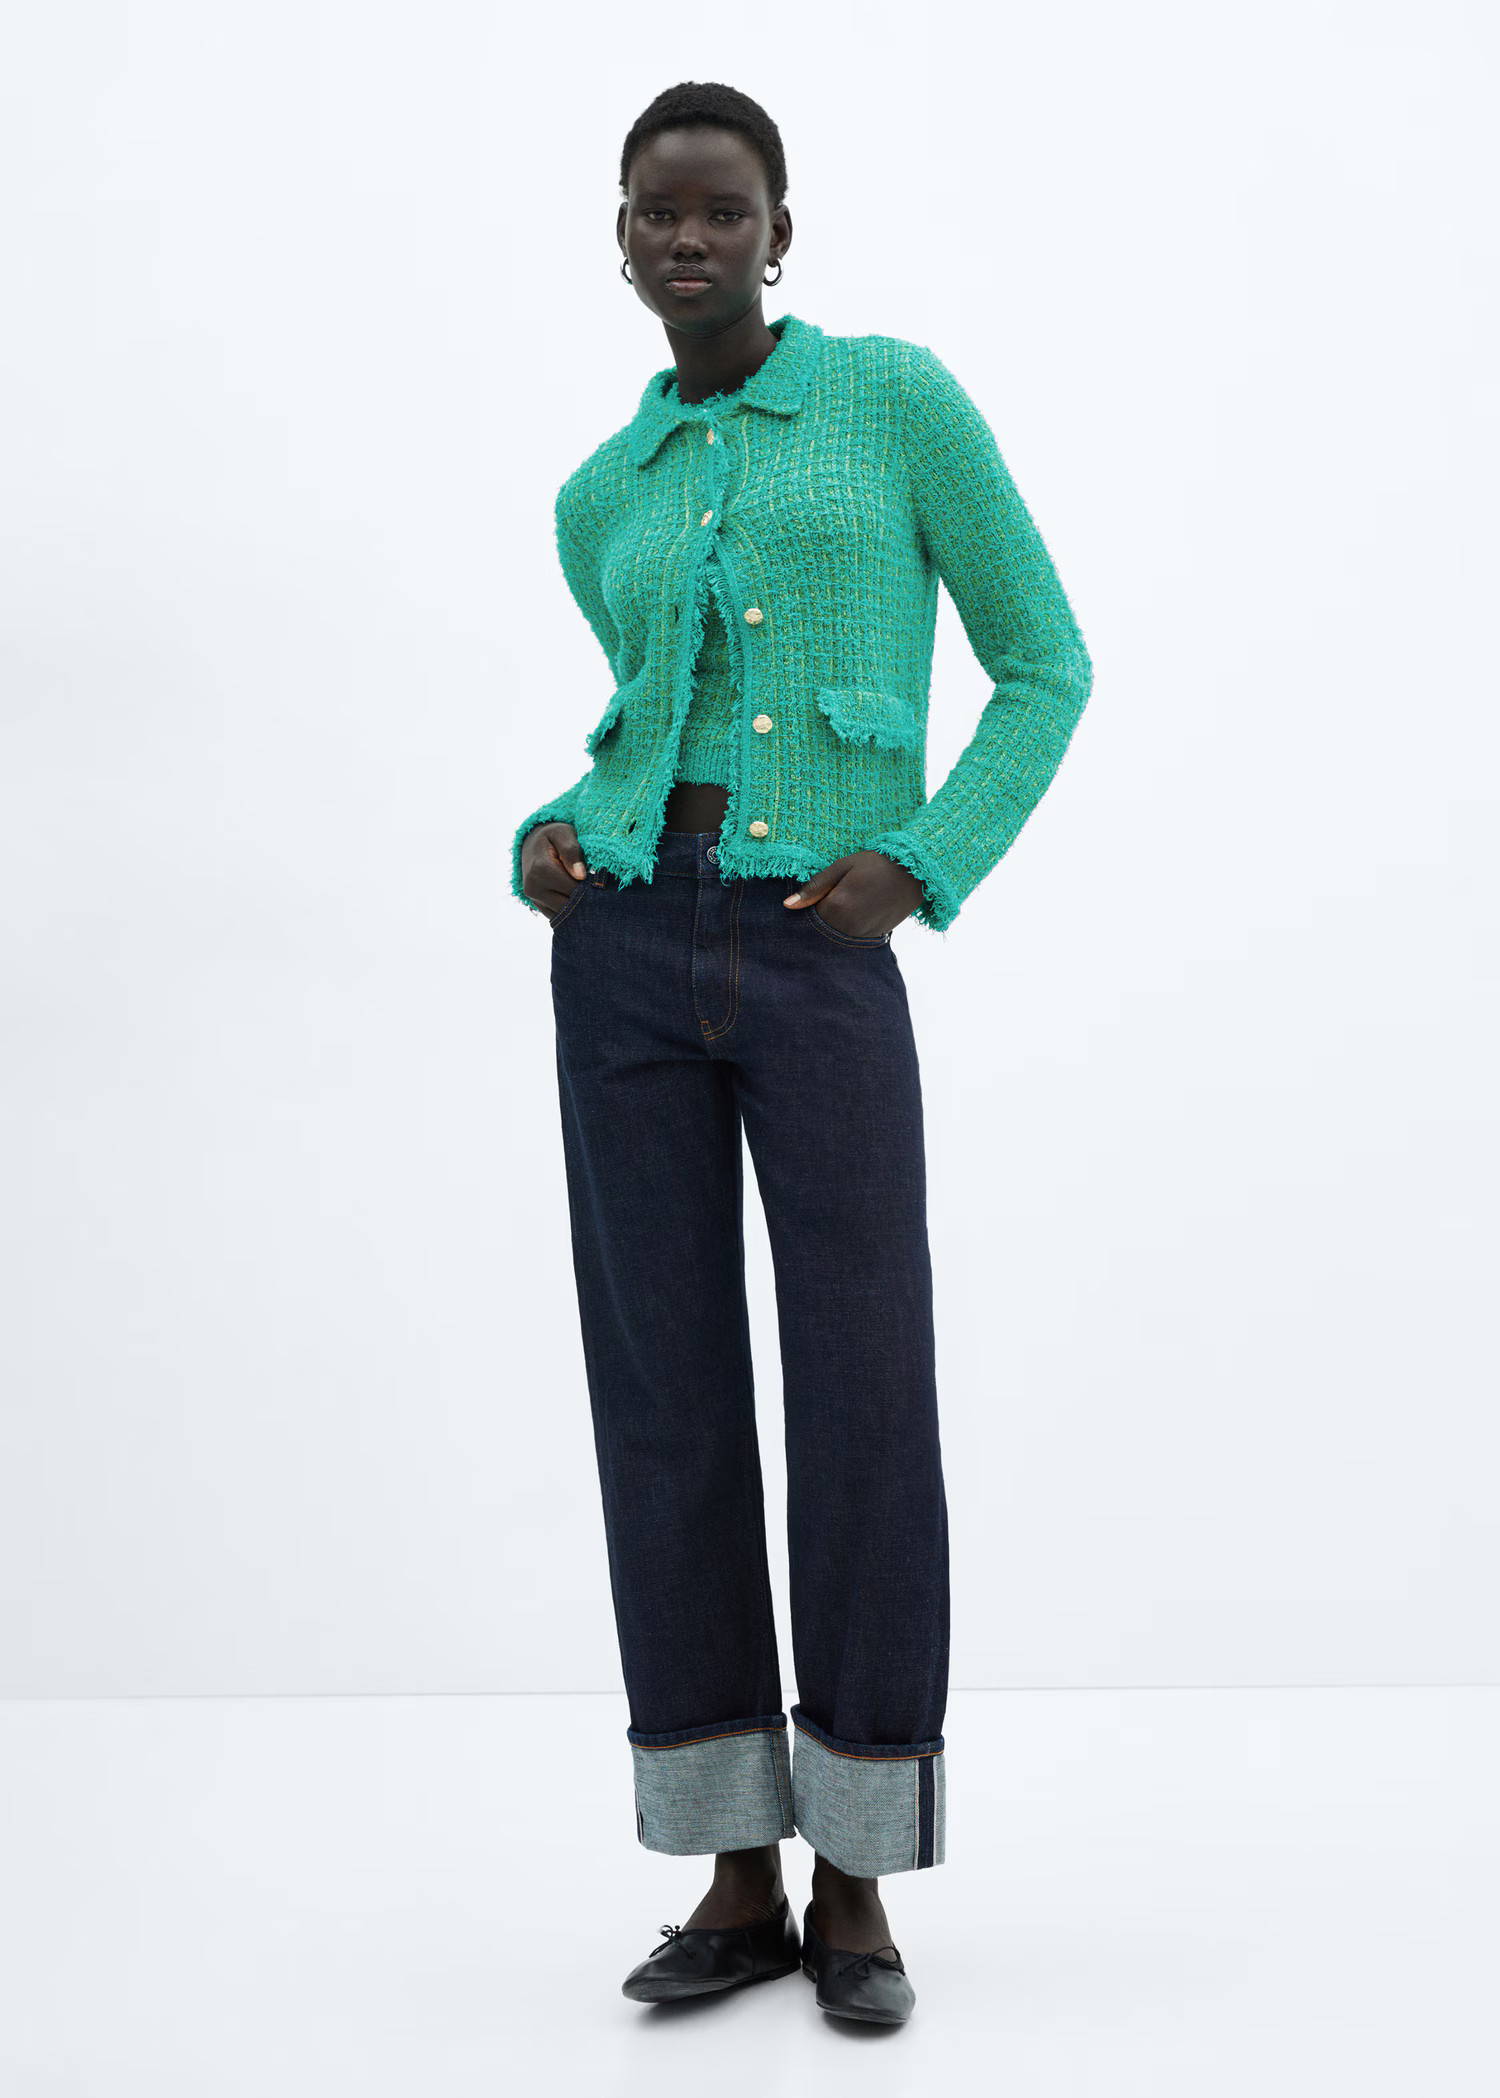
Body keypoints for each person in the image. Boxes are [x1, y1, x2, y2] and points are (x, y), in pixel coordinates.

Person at [514, 81, 1093, 2025]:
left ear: (781, 227)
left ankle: (855, 1873)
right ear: (620, 240)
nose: (688, 237)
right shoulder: (602, 489)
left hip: (819, 945)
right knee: (664, 1397)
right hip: (624, 948)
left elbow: (1046, 661)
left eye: (723, 207)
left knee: (862, 1386)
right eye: (655, 211)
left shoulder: (893, 401)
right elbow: (638, 721)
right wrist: (555, 838)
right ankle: (732, 1866)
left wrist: (922, 859)